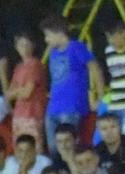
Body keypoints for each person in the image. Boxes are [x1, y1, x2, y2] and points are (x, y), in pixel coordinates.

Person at [42, 16, 104, 154]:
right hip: (53, 107)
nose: (46, 39)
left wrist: (100, 96)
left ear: (59, 32)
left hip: (72, 106)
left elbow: (95, 68)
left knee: (68, 147)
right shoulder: (53, 53)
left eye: (48, 35)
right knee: (53, 149)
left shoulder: (76, 47)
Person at [7, 33, 49, 153]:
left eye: (27, 45)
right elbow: (9, 94)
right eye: (21, 45)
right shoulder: (19, 67)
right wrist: (18, 91)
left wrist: (16, 92)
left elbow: (27, 93)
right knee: (19, 149)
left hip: (33, 113)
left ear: (33, 46)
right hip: (19, 114)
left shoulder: (35, 64)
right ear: (16, 47)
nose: (24, 49)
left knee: (34, 148)